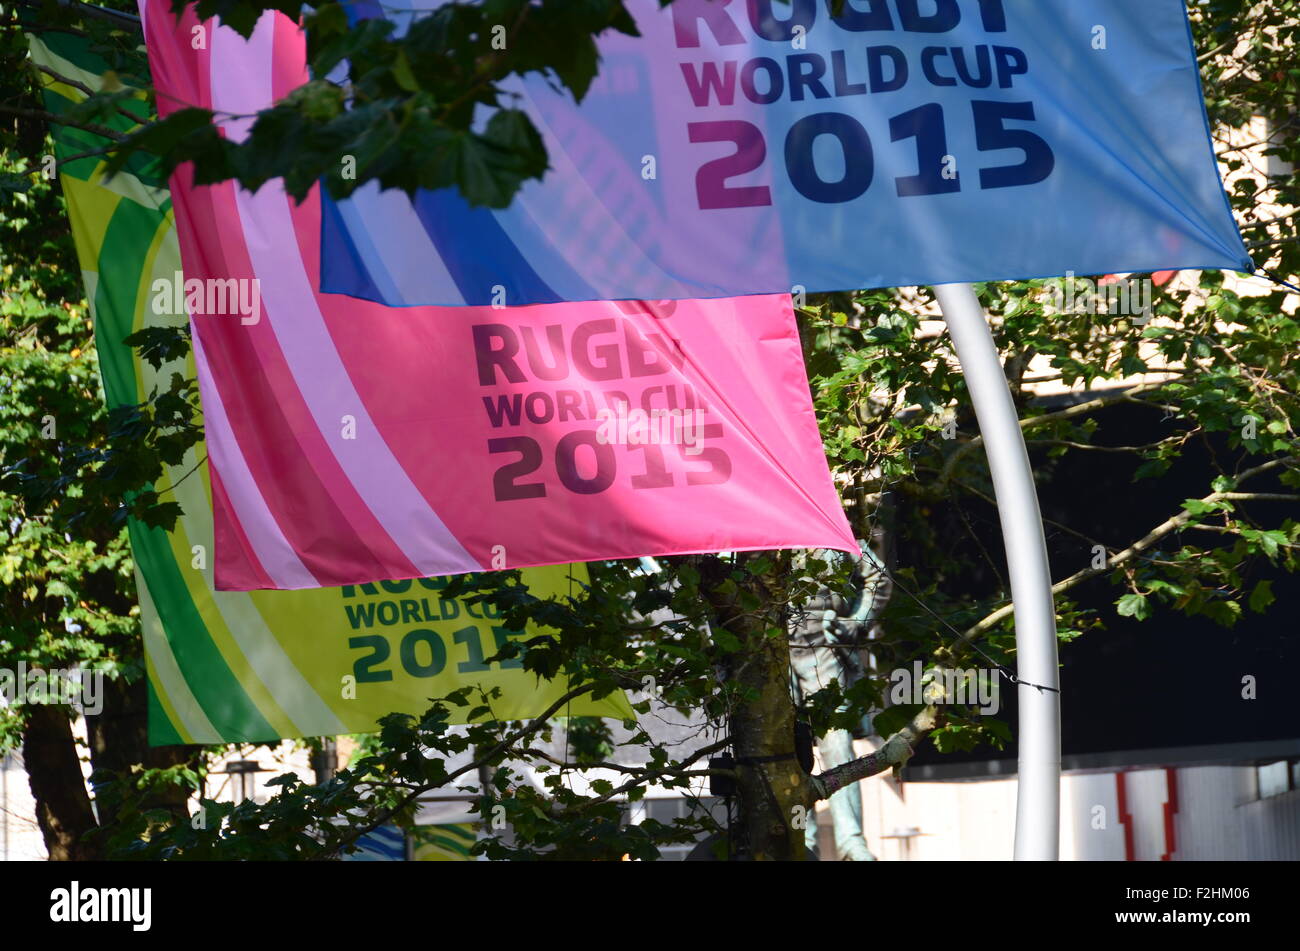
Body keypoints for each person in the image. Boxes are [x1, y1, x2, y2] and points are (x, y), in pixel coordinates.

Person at [788, 533, 892, 861]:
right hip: (776, 654)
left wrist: (857, 620)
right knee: (789, 751)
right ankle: (802, 839)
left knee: (837, 743)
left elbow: (879, 577)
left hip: (825, 650)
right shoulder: (764, 533)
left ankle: (850, 840)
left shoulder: (833, 529)